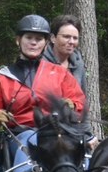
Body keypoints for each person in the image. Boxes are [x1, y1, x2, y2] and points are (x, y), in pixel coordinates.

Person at [0, 14, 86, 172]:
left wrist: (72, 106)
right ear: (18, 40)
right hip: (20, 135)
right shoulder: (2, 78)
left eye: (39, 39)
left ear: (45, 43)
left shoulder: (59, 73)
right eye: (29, 37)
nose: (34, 42)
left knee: (87, 160)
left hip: (58, 133)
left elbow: (79, 105)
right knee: (31, 139)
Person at [42, 14, 98, 151]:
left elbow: (82, 102)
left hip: (73, 130)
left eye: (75, 38)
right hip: (45, 131)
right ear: (53, 38)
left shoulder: (77, 64)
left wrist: (87, 134)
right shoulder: (40, 64)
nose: (71, 41)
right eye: (66, 37)